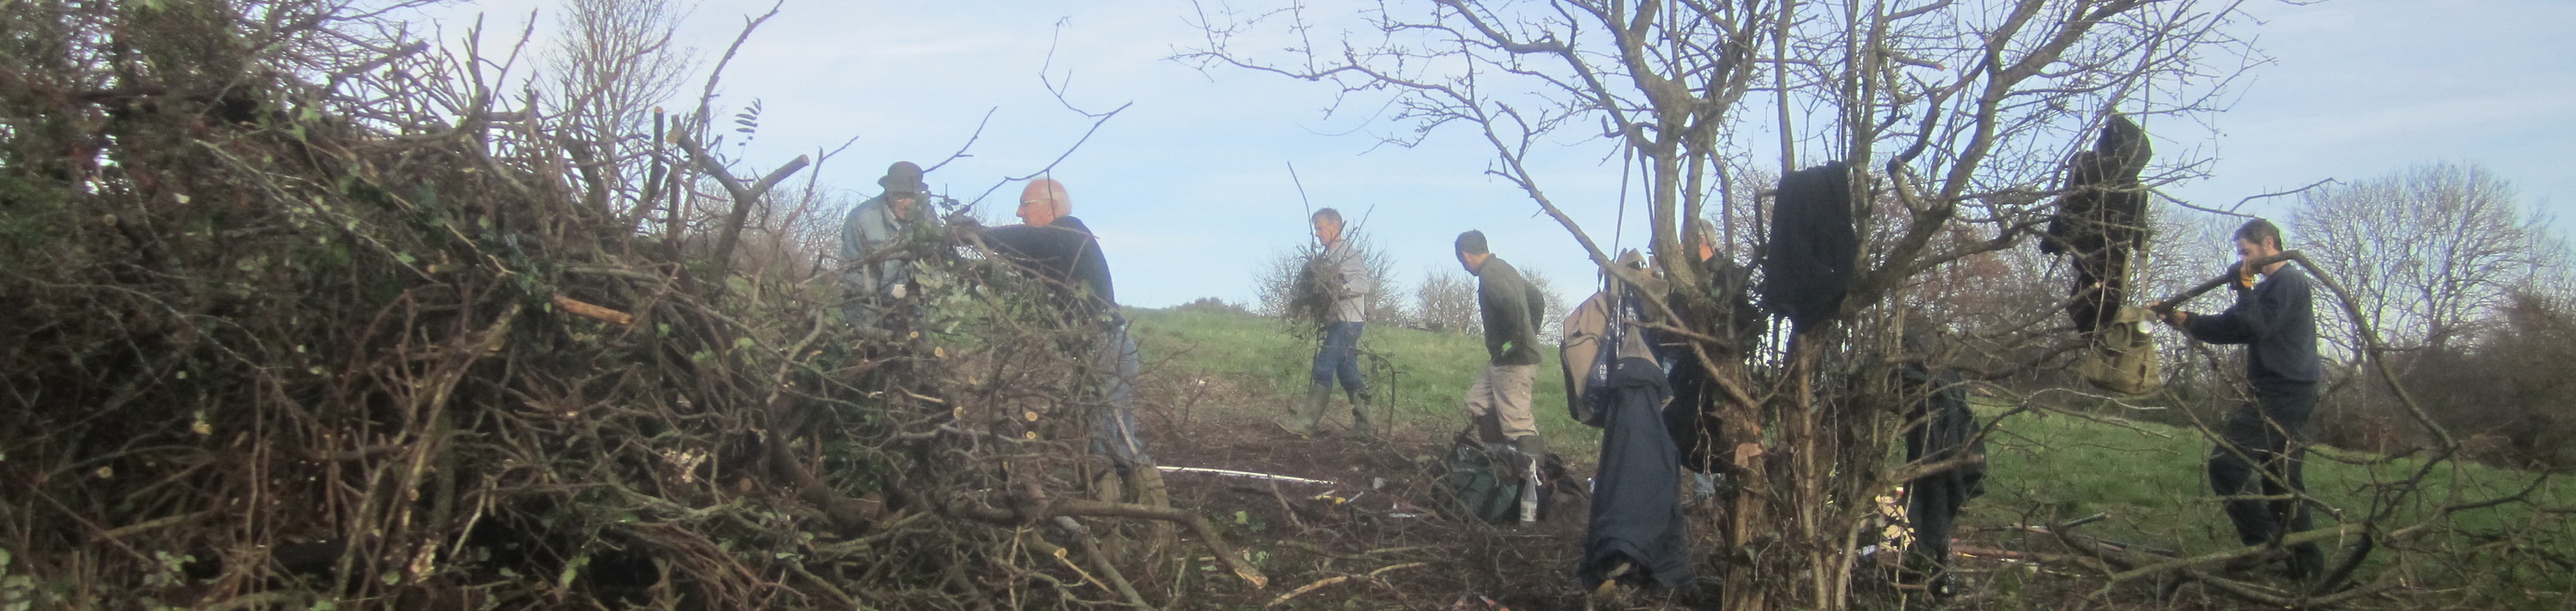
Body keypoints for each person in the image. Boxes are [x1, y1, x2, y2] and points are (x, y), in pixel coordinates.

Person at [2150, 218, 2326, 580]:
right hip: (2287, 388)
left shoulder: (2289, 282)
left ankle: (2263, 543)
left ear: (2268, 244)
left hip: (2285, 391)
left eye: (2246, 252)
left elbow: (2254, 326)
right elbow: (2229, 327)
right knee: (2281, 480)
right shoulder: (2266, 289)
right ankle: (2306, 565)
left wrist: (2244, 289)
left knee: (2226, 465)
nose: (2242, 260)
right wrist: (2179, 318)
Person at [979, 178, 1162, 506]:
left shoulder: (1070, 232)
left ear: (1052, 207)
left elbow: (1028, 240)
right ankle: (1114, 514)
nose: (1019, 213)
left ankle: (1151, 514)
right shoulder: (1051, 250)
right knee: (1100, 436)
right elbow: (1021, 255)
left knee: (1112, 436)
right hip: (1093, 348)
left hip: (1107, 346)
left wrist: (981, 233)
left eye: (1025, 204)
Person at [1278, 208, 1376, 439]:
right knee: (1347, 373)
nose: (1317, 233)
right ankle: (1365, 428)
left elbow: (1363, 284)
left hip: (1347, 322)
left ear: (1334, 227)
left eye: (1320, 228)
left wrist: (1337, 288)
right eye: (1316, 229)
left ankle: (1306, 424)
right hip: (1339, 321)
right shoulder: (1328, 257)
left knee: (1323, 368)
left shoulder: (1347, 253)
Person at [1455, 230, 1549, 459]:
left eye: (1462, 261)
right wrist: (1530, 333)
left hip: (1514, 361)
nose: (1464, 267)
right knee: (1478, 402)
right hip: (1503, 359)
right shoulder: (1503, 268)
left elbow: (1510, 304)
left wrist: (1515, 342)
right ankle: (1502, 460)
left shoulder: (1489, 274)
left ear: (1465, 256)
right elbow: (1536, 298)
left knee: (1517, 423)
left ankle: (1533, 476)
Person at [841, 161, 943, 330]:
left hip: (912, 315)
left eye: (912, 196)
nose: (907, 203)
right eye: (900, 196)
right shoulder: (861, 218)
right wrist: (887, 291)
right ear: (888, 192)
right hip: (866, 315)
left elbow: (935, 259)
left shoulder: (927, 216)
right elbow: (847, 272)